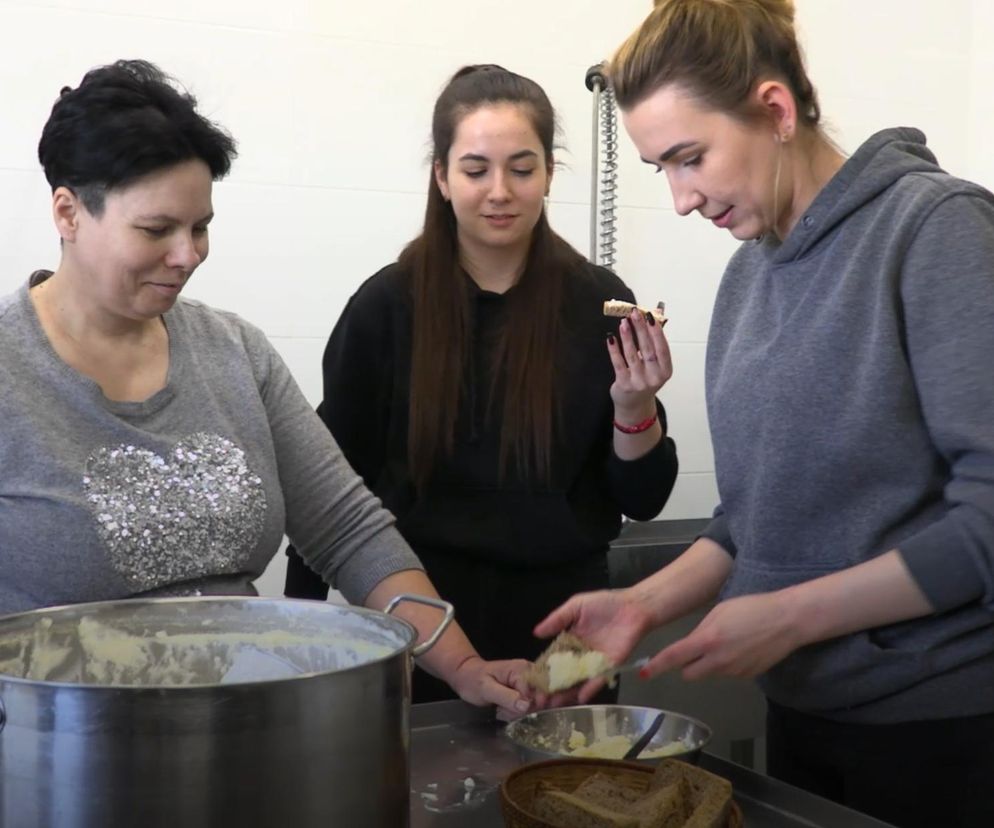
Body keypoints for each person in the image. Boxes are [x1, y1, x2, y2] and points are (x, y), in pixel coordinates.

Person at [535, 2, 994, 826]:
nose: (680, 199)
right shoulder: (750, 279)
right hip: (806, 718)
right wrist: (645, 605)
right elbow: (751, 520)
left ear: (776, 110)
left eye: (690, 158)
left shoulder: (936, 232)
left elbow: (989, 523)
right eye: (660, 171)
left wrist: (787, 615)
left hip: (945, 733)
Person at [0, 58, 533, 718]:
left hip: (244, 738)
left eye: (200, 227)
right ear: (68, 212)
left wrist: (464, 666)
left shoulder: (235, 354)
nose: (187, 254)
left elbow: (348, 531)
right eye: (156, 229)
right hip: (62, 758)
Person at [284, 64, 679, 703]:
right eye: (475, 170)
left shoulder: (599, 304)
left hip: (570, 632)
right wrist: (298, 643)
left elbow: (646, 497)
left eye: (522, 170)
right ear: (441, 176)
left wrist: (634, 406)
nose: (500, 191)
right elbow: (327, 493)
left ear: (549, 173)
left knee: (570, 794)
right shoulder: (386, 307)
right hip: (420, 629)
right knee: (424, 797)